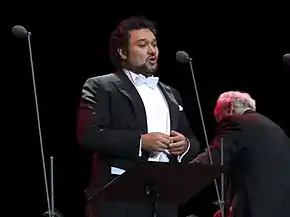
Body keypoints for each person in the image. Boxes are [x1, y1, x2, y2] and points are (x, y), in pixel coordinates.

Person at [76, 16, 201, 217]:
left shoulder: (170, 93)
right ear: (122, 52)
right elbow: (88, 135)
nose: (152, 51)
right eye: (142, 45)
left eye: (154, 44)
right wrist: (140, 142)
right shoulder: (101, 86)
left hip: (163, 199)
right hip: (118, 197)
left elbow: (192, 141)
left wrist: (184, 145)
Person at [189, 91, 290, 217]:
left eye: (218, 117)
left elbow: (212, 159)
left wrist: (176, 174)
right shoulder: (277, 130)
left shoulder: (237, 123)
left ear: (230, 108)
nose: (219, 123)